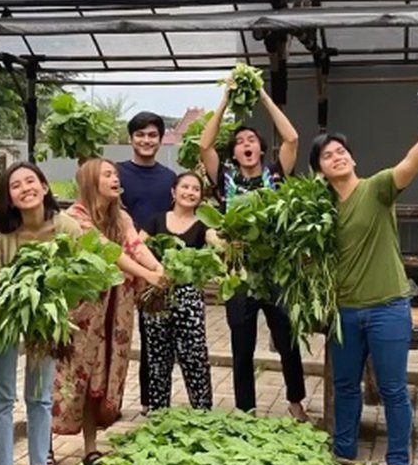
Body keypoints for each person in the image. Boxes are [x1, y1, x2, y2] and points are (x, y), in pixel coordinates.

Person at [309, 88, 418, 465]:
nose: (337, 156)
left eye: (341, 150)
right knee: (346, 387)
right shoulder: (317, 213)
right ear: (319, 169)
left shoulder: (378, 188)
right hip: (345, 311)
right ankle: (344, 455)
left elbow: (410, 163)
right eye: (327, 154)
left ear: (352, 158)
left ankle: (399, 464)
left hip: (388, 306)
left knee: (393, 389)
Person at [199, 79, 308, 421]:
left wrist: (261, 94)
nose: (246, 145)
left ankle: (295, 401)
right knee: (241, 346)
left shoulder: (275, 175)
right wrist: (225, 100)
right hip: (239, 274)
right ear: (233, 153)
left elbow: (291, 138)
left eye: (252, 141)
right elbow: (204, 146)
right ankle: (246, 412)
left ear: (261, 150)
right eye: (239, 142)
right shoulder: (225, 179)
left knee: (287, 339)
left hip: (274, 271)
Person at [52, 158, 164, 465]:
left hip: (115, 310)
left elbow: (134, 245)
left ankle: (91, 447)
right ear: (90, 182)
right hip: (83, 313)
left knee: (97, 379)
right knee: (69, 376)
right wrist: (149, 274)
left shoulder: (121, 217)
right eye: (108, 175)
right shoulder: (75, 218)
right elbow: (108, 252)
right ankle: (45, 447)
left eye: (115, 173)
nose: (116, 178)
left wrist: (159, 268)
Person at [0, 162, 81, 465]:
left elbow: (78, 282)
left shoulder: (67, 228)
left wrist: (52, 306)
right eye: (16, 185)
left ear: (45, 186)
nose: (25, 188)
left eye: (31, 181)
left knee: (40, 397)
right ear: (9, 198)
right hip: (4, 318)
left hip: (48, 320)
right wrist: (14, 304)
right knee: (1, 398)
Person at [140, 171, 219, 411]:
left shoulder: (204, 225)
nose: (190, 192)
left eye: (195, 189)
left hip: (189, 300)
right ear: (174, 192)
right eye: (185, 187)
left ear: (200, 197)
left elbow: (217, 241)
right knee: (157, 359)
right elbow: (137, 246)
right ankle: (158, 414)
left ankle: (202, 414)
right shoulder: (155, 220)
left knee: (194, 356)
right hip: (157, 298)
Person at [118, 111, 177, 413]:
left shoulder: (170, 179)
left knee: (155, 336)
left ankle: (149, 400)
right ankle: (109, 401)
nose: (146, 140)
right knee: (117, 334)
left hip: (156, 266)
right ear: (131, 139)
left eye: (152, 134)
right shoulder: (116, 174)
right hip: (118, 265)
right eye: (140, 134)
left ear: (160, 139)